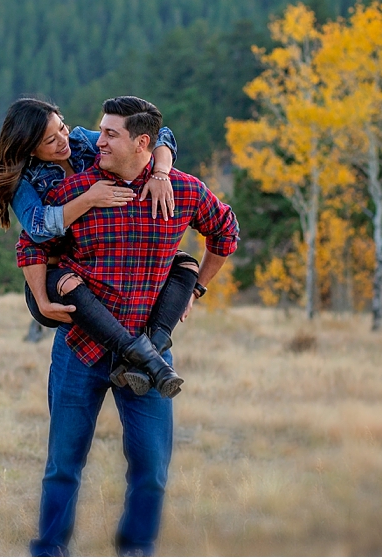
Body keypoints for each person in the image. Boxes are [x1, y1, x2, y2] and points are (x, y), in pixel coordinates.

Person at [17, 96, 238, 556]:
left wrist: (195, 288)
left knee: (151, 467)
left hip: (151, 355)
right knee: (63, 464)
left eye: (109, 134)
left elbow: (225, 232)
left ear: (142, 143)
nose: (95, 141)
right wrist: (41, 296)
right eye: (99, 131)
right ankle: (49, 551)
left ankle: (136, 549)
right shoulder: (80, 188)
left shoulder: (183, 189)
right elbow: (33, 242)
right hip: (81, 348)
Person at [0, 98, 201, 396]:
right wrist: (89, 198)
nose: (64, 140)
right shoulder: (23, 179)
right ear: (29, 147)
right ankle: (147, 360)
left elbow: (157, 134)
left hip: (98, 263)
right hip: (54, 274)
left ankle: (142, 359)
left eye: (61, 127)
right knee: (72, 285)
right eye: (51, 140)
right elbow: (36, 230)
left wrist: (160, 172)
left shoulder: (80, 140)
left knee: (182, 265)